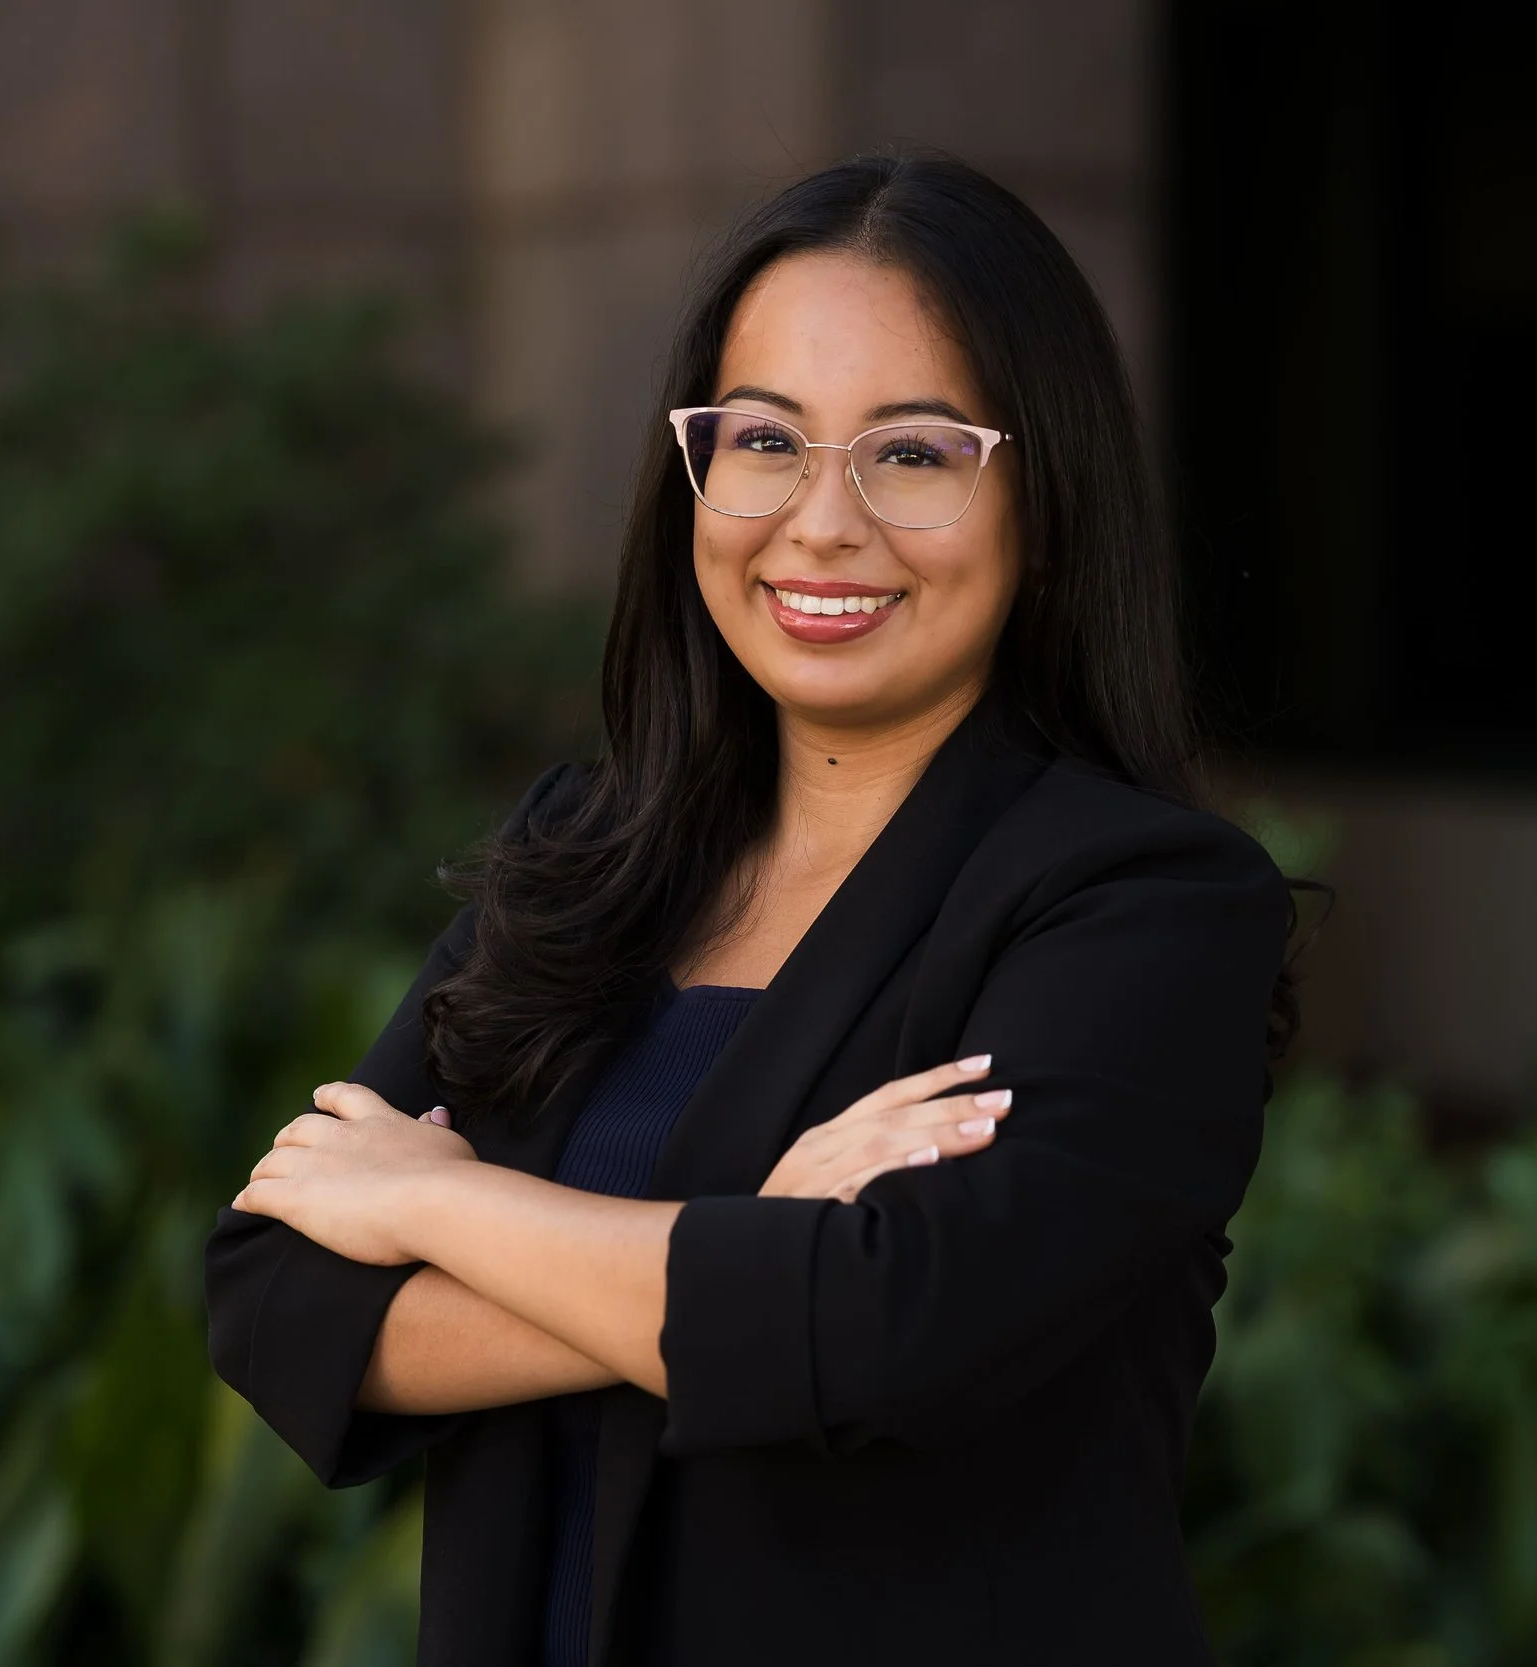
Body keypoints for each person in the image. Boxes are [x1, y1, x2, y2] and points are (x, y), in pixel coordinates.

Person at [203, 150, 1310, 1667]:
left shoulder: (1141, 911)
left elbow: (880, 1338)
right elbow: (277, 1301)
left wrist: (434, 1203)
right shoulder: (586, 851)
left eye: (913, 454)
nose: (820, 523)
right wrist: (754, 1243)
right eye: (765, 440)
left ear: (1043, 500)